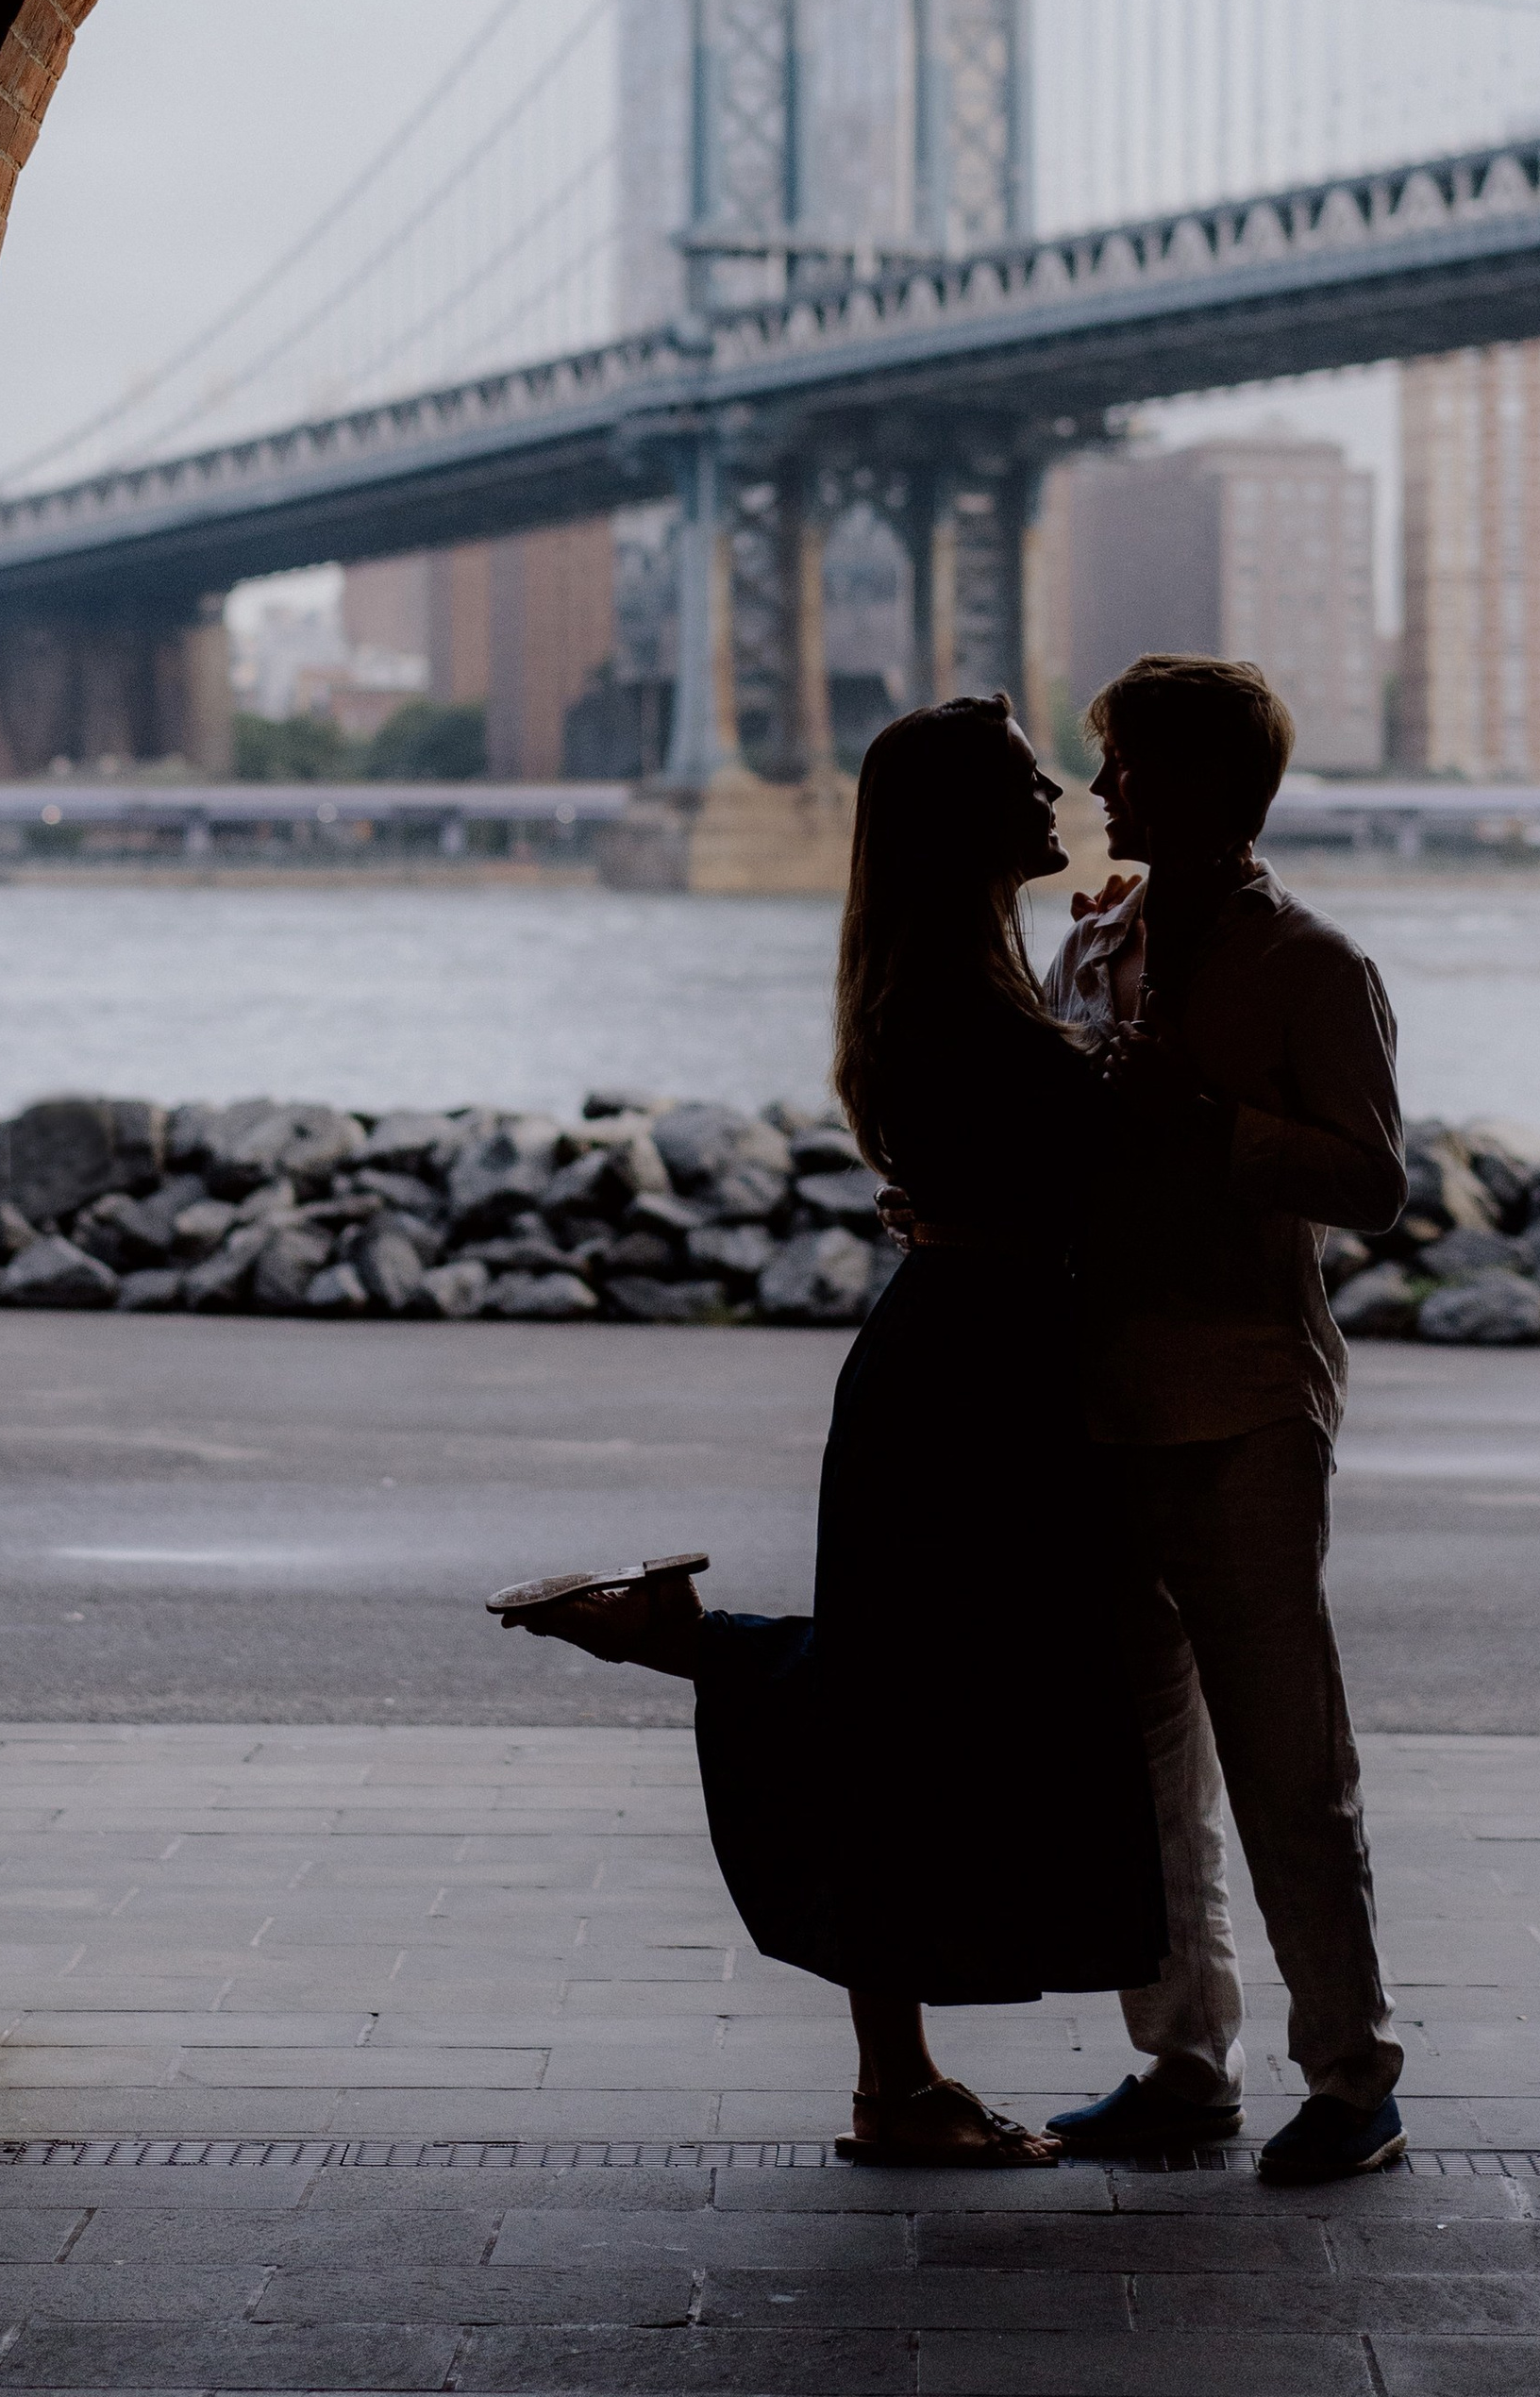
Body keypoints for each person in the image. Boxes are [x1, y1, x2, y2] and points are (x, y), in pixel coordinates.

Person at [498, 694, 1195, 2166]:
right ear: (956, 816)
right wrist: (1148, 991)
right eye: (1020, 778)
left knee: (909, 1701)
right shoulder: (962, 997)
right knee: (916, 1711)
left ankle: (685, 1643)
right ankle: (890, 2077)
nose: (1055, 791)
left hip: (952, 1355)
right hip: (976, 1381)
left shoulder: (946, 977)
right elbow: (1120, 1157)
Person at [1034, 650, 1412, 2187]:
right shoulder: (1087, 946)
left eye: (1122, 764)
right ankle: (1184, 2060)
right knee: (1141, 1764)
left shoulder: (1317, 966)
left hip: (1249, 1398)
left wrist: (1214, 1128)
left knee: (1287, 1757)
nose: (1102, 790)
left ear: (1201, 784)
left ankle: (1352, 2077)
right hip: (1095, 1398)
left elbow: (1374, 1183)